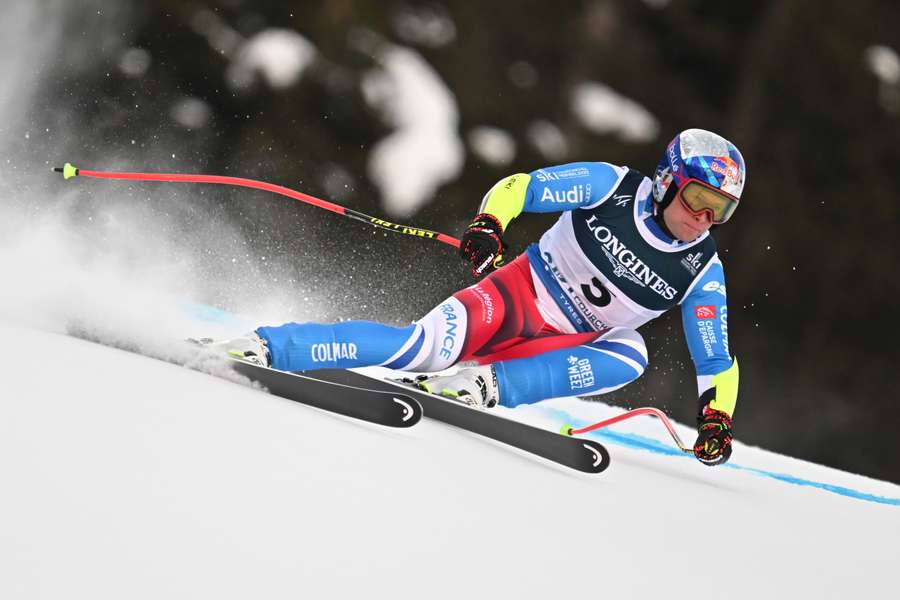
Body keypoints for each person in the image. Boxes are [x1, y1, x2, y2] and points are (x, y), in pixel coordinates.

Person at [208, 128, 744, 466]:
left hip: (559, 346)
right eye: (698, 198)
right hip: (515, 298)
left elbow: (715, 358)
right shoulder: (612, 187)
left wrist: (717, 419)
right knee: (419, 349)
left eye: (719, 210)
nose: (703, 218)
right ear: (669, 181)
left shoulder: (702, 270)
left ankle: (483, 386)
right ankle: (270, 346)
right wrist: (490, 224)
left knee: (632, 352)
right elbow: (522, 188)